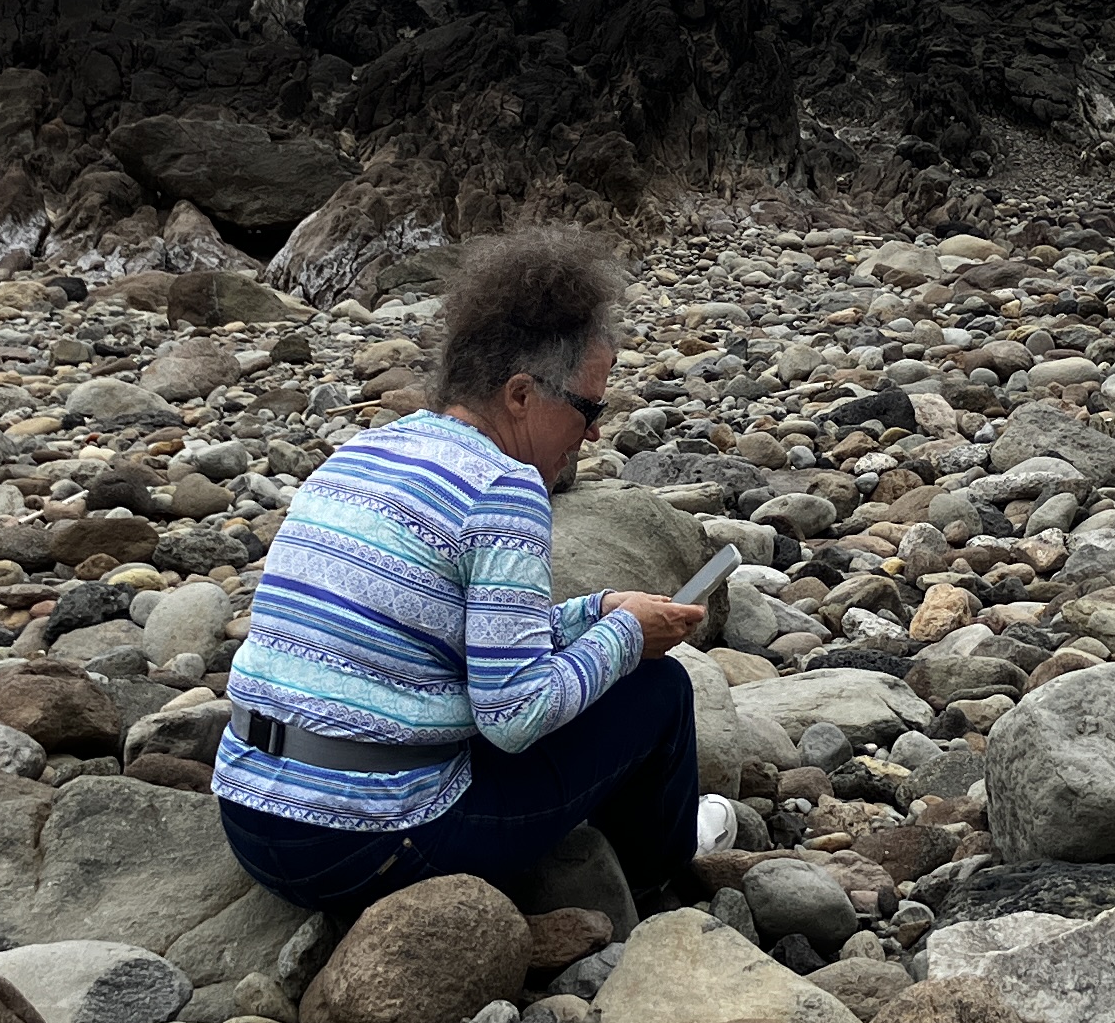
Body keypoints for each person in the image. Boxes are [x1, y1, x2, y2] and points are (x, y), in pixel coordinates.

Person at [216, 227, 730, 914]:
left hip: (250, 817)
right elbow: (514, 715)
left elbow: (449, 632)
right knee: (656, 689)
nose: (595, 432)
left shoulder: (364, 452)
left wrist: (595, 612)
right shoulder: (503, 488)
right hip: (365, 847)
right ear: (520, 395)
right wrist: (628, 637)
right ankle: (662, 862)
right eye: (589, 408)